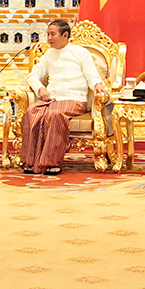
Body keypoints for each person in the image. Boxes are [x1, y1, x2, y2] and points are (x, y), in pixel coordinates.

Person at [20, 19, 107, 175]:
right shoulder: (49, 54)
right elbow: (33, 75)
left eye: (53, 34)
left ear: (65, 35)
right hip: (51, 99)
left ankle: (51, 162)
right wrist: (40, 89)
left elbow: (92, 75)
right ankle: (31, 161)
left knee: (55, 115)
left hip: (74, 99)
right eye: (48, 34)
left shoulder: (81, 53)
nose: (49, 38)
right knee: (31, 113)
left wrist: (98, 85)